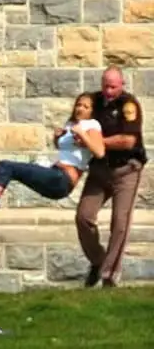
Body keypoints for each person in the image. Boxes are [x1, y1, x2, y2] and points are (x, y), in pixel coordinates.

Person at [76, 66, 147, 288]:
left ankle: (109, 275)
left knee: (120, 223)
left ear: (122, 85)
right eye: (105, 85)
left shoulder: (128, 104)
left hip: (126, 169)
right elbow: (76, 121)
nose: (108, 91)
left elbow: (128, 140)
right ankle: (98, 261)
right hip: (99, 170)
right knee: (83, 217)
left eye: (113, 87)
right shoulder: (93, 101)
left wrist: (96, 141)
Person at [0, 93, 104, 201]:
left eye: (85, 107)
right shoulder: (71, 124)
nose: (80, 109)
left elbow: (100, 152)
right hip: (54, 174)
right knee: (8, 169)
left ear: (92, 111)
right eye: (78, 105)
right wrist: (57, 138)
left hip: (63, 180)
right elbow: (66, 151)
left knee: (7, 166)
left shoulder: (92, 124)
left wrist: (82, 134)